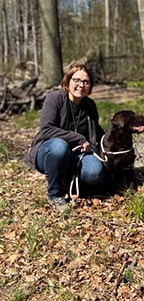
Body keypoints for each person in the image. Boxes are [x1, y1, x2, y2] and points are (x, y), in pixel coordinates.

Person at [25, 64, 106, 212]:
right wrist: (79, 138)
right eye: (76, 80)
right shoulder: (55, 98)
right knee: (59, 147)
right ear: (68, 81)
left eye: (86, 82)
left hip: (77, 155)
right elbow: (46, 129)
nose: (81, 85)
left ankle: (70, 182)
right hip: (48, 151)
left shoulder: (90, 105)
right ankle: (55, 195)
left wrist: (116, 137)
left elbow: (97, 132)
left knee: (94, 172)